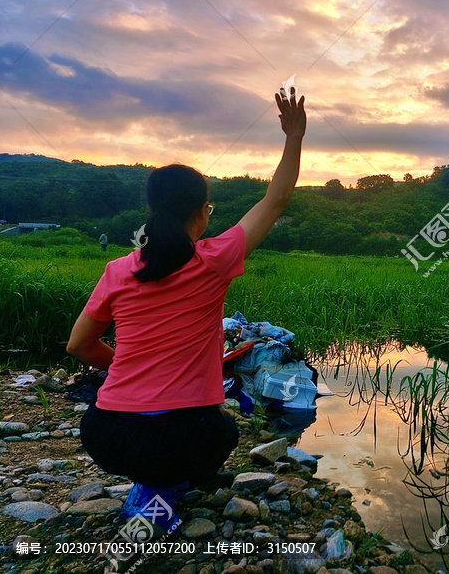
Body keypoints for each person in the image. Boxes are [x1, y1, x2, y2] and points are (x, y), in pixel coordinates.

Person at [66, 85, 306, 531]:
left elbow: (79, 345)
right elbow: (276, 199)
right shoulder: (214, 260)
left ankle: (150, 489)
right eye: (209, 208)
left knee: (160, 439)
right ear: (201, 212)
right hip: (187, 439)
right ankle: (160, 493)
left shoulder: (119, 269)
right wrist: (294, 137)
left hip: (106, 435)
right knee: (224, 432)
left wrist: (125, 367)